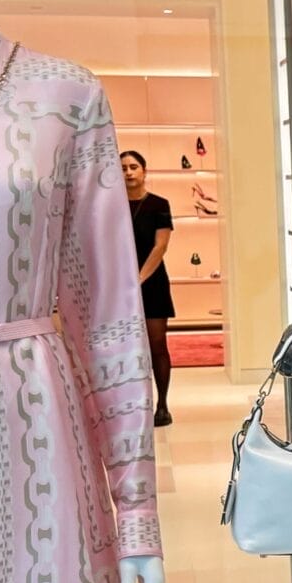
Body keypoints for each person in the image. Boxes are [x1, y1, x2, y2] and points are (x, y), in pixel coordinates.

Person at [121, 149, 175, 425]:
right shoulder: (113, 206)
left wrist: (138, 279)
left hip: (152, 283)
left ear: (144, 170)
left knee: (157, 344)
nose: (129, 172)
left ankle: (162, 404)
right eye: (123, 168)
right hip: (119, 284)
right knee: (125, 346)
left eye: (133, 167)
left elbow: (160, 247)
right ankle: (130, 405)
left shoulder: (159, 204)